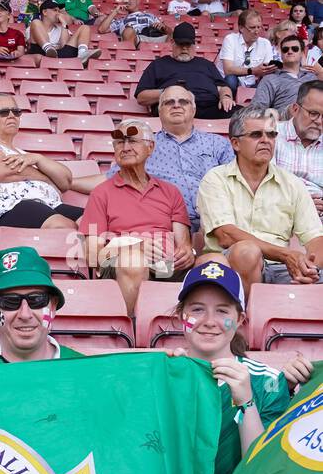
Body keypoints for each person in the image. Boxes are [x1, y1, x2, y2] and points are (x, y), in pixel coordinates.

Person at [170, 264, 319, 474]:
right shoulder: (163, 376)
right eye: (197, 309)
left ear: (239, 320)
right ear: (181, 317)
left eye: (222, 310)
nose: (209, 320)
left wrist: (246, 402)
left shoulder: (267, 380)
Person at [197, 105, 323, 286]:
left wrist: (309, 268)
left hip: (282, 268)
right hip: (229, 265)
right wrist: (286, 255)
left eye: (271, 134)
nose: (266, 140)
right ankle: (246, 314)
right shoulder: (215, 179)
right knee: (247, 252)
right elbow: (226, 236)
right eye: (256, 135)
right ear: (235, 143)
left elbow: (315, 237)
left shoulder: (292, 183)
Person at [79, 120, 193, 314]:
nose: (125, 147)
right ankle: (131, 333)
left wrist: (187, 253)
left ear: (150, 147)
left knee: (215, 263)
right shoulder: (101, 193)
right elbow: (92, 254)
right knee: (133, 260)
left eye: (132, 141)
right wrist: (134, 247)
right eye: (119, 143)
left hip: (166, 265)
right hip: (121, 264)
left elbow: (183, 244)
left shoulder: (170, 192)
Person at [106, 85, 233, 238]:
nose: (176, 105)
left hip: (216, 220)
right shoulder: (145, 146)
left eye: (183, 102)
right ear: (159, 111)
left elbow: (235, 181)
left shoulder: (217, 143)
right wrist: (70, 181)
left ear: (193, 109)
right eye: (169, 102)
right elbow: (110, 180)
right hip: (165, 224)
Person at [0, 93, 82, 243]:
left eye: (16, 112)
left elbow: (65, 181)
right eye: (4, 112)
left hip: (45, 205)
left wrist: (38, 158)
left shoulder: (25, 155)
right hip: (1, 212)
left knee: (93, 222)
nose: (12, 116)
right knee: (64, 227)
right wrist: (45, 177)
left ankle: (104, 265)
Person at [135, 22, 234, 119]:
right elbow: (141, 97)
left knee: (241, 115)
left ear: (194, 45)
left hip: (209, 107)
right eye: (181, 44)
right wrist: (167, 92)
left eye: (188, 45)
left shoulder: (206, 64)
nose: (184, 48)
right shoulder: (158, 65)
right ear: (172, 42)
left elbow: (222, 87)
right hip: (175, 107)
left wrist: (226, 97)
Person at [274, 79, 323, 213]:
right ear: (295, 109)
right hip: (279, 212)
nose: (319, 121)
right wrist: (302, 204)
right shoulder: (270, 136)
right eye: (313, 113)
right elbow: (260, 187)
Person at [252, 33, 320, 115]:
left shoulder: (311, 77)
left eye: (295, 49)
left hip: (313, 122)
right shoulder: (270, 79)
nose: (290, 51)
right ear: (281, 54)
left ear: (302, 53)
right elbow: (255, 110)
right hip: (284, 123)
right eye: (285, 49)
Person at [28, 0, 99, 68]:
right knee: (36, 22)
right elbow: (29, 45)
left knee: (85, 27)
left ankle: (82, 54)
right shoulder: (34, 25)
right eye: (55, 10)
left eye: (59, 11)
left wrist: (64, 24)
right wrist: (53, 48)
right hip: (41, 53)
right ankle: (48, 47)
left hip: (59, 56)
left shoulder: (61, 27)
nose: (58, 13)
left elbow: (64, 47)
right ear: (45, 12)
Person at [218, 9, 275, 94]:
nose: (257, 31)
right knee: (231, 79)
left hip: (253, 83)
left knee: (269, 81)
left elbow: (267, 71)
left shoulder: (265, 43)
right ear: (241, 28)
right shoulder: (230, 39)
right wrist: (253, 71)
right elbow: (228, 70)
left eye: (259, 27)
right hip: (230, 84)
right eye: (252, 28)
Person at [99, 0, 169, 50]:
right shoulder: (121, 20)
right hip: (137, 40)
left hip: (156, 39)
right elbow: (102, 29)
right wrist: (115, 11)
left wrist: (163, 27)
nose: (127, 0)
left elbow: (169, 32)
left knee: (177, 32)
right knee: (128, 30)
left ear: (138, 1)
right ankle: (133, 54)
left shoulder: (149, 16)